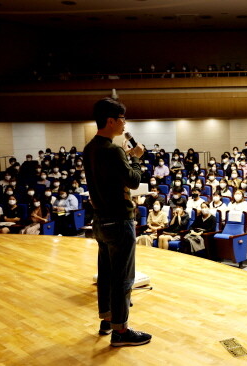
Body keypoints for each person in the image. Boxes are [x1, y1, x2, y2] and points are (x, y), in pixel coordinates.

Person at [83, 98, 151, 346]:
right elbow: (133, 181)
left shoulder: (90, 148)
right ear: (110, 120)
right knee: (123, 277)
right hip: (119, 221)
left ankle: (107, 321)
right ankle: (121, 332)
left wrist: (126, 155)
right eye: (122, 119)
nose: (124, 123)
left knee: (107, 275)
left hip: (100, 221)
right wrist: (135, 158)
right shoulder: (113, 150)